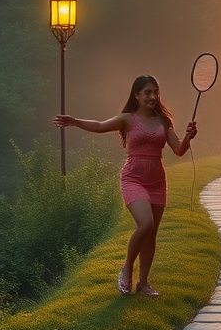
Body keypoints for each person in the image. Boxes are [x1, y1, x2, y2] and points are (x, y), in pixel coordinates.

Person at [54, 75, 196, 296]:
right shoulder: (127, 119)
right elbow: (100, 126)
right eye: (147, 92)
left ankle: (144, 283)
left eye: (156, 92)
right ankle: (127, 268)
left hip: (157, 180)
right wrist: (75, 122)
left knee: (152, 234)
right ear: (137, 95)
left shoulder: (164, 121)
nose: (153, 96)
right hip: (133, 178)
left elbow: (178, 150)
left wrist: (188, 137)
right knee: (145, 224)